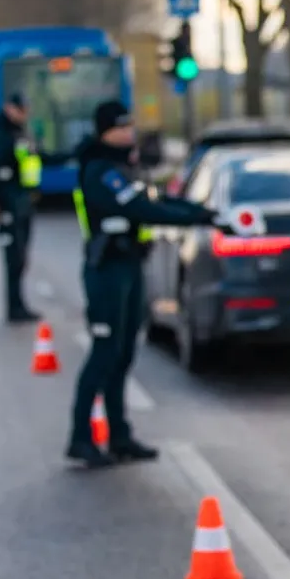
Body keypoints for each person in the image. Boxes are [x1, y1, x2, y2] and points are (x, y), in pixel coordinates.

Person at [66, 100, 228, 468]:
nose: (128, 132)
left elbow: (156, 199)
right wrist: (196, 220)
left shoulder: (125, 167)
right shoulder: (101, 170)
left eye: (130, 125)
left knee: (123, 354)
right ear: (105, 131)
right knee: (104, 354)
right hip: (106, 271)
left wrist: (203, 214)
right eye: (121, 127)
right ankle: (80, 437)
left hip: (129, 266)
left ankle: (120, 435)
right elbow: (142, 209)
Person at [0, 93, 59, 322]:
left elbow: (38, 158)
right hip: (8, 206)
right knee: (13, 259)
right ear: (8, 108)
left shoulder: (22, 134)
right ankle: (14, 308)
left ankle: (19, 305)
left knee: (22, 258)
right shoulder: (0, 136)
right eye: (20, 109)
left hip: (23, 203)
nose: (24, 113)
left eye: (25, 109)